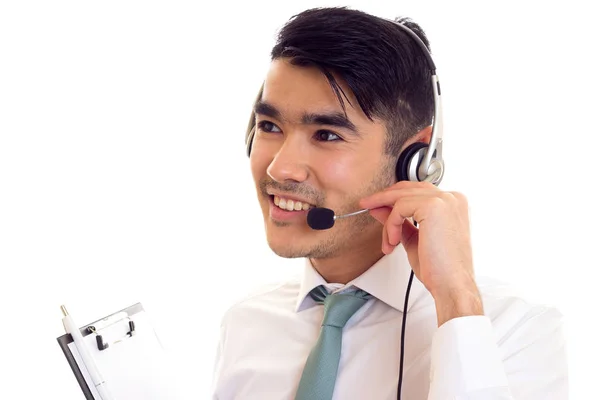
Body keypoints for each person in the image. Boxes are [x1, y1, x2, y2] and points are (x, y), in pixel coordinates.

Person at [211, 7, 568, 400]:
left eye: (327, 135)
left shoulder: (513, 331)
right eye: (270, 126)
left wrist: (457, 300)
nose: (280, 168)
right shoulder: (246, 325)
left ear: (416, 159)